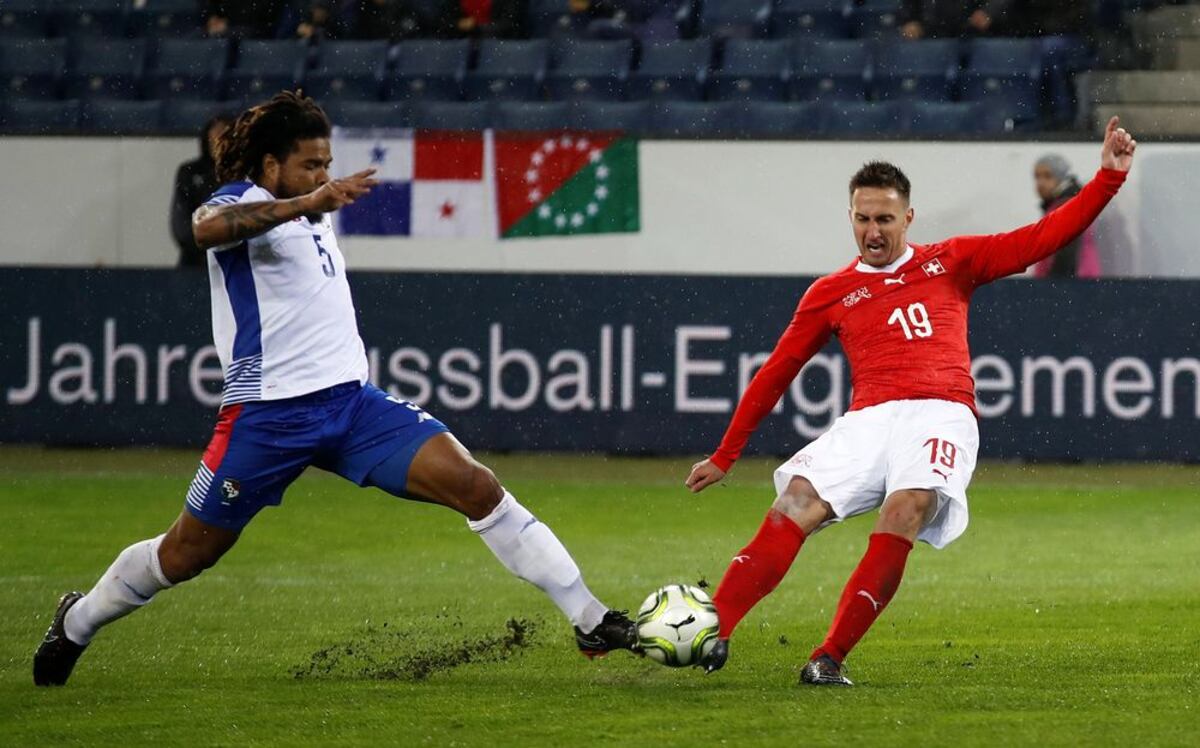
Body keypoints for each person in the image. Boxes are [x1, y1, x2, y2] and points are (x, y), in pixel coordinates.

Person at [33, 91, 638, 687]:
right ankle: (79, 619)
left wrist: (314, 200)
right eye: (310, 165)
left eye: (326, 163)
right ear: (271, 167)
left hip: (352, 406)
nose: (324, 176)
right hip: (266, 417)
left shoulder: (312, 211)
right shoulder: (242, 201)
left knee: (476, 485)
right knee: (186, 555)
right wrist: (308, 202)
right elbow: (206, 228)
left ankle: (589, 618)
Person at [685, 117, 1136, 686]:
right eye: (863, 219)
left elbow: (1039, 239)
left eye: (885, 219)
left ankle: (827, 658)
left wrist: (1107, 180)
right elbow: (776, 373)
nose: (874, 232)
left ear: (908, 218)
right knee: (794, 502)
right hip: (868, 419)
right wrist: (726, 454)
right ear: (850, 217)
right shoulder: (828, 293)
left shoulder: (952, 261)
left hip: (941, 413)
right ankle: (713, 631)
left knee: (905, 508)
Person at [170, 114, 234, 268]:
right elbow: (181, 223)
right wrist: (204, 243)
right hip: (195, 262)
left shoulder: (242, 174)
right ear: (206, 141)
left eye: (223, 140)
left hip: (231, 259)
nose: (219, 146)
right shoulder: (190, 171)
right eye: (214, 141)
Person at [1031, 154, 1101, 278]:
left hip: (1073, 284)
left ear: (1060, 177)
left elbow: (1067, 250)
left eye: (1047, 176)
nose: (1040, 183)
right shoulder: (1064, 203)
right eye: (1037, 176)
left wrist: (1057, 285)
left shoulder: (1067, 205)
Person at [899, 0, 1012, 39]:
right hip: (931, 33)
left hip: (973, 34)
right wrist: (910, 20)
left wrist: (988, 11)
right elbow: (909, 6)